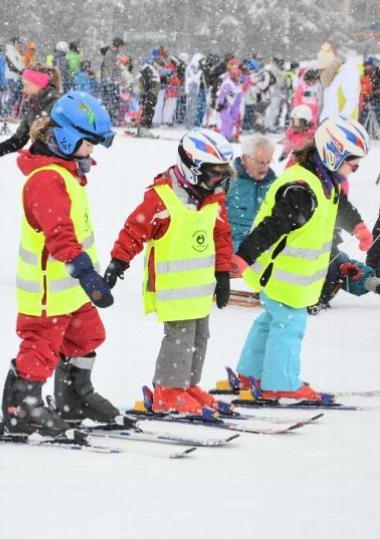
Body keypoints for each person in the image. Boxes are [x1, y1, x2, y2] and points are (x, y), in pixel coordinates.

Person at [1, 91, 123, 436]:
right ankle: (21, 408)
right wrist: (86, 273)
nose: (91, 152)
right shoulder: (46, 179)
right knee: (40, 349)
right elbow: (59, 234)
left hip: (70, 289)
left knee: (88, 336)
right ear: (66, 139)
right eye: (88, 144)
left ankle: (74, 397)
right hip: (47, 291)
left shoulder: (67, 172)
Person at [231, 116, 371, 401]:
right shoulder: (302, 189)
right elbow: (272, 226)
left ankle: (251, 374)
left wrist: (357, 226)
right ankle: (280, 382)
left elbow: (338, 204)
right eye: (352, 163)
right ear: (334, 153)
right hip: (280, 273)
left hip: (289, 275)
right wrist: (244, 256)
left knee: (270, 320)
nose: (354, 169)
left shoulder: (322, 181)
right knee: (289, 325)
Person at [104, 129, 234, 416]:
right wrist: (118, 262)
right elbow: (134, 230)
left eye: (222, 176)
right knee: (180, 337)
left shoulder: (212, 198)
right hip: (173, 289)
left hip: (200, 289)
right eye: (213, 175)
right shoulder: (161, 197)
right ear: (192, 167)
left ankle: (187, 385)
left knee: (201, 336)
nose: (218, 182)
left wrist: (223, 274)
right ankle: (167, 390)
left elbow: (222, 236)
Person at [0, 65, 61, 164]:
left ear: (39, 84)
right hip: (43, 165)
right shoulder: (34, 109)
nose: (24, 89)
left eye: (27, 85)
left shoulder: (59, 105)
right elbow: (18, 140)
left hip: (60, 166)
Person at [225, 135, 277, 250]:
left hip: (262, 254)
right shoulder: (228, 181)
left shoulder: (275, 184)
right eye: (260, 162)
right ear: (245, 158)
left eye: (268, 162)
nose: (265, 168)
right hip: (230, 254)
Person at [217, 59, 244, 142]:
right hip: (226, 105)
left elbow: (238, 96)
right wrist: (221, 103)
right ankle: (224, 136)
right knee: (226, 121)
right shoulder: (227, 83)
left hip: (234, 106)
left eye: (239, 76)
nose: (238, 78)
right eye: (236, 76)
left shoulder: (238, 84)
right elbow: (222, 94)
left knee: (232, 121)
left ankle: (229, 135)